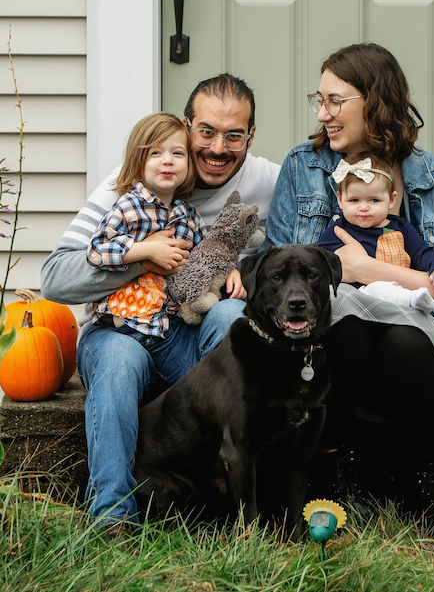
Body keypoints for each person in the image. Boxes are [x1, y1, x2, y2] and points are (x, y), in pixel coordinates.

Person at [263, 43, 434, 530]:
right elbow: (278, 278)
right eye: (319, 100)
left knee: (404, 339)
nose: (322, 113)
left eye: (335, 101)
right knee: (349, 326)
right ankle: (331, 473)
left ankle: (428, 481)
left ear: (374, 102)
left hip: (410, 364)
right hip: (330, 354)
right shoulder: (304, 167)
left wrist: (366, 269)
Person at [40, 74, 278, 526]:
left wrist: (234, 270)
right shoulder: (129, 186)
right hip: (120, 334)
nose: (218, 148)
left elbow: (319, 225)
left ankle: (230, 495)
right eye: (205, 132)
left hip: (182, 340)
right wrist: (145, 258)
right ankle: (112, 515)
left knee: (232, 314)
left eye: (233, 136)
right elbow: (54, 277)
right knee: (119, 360)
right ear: (186, 127)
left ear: (250, 136)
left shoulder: (269, 181)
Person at [317, 152, 434, 395]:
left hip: (409, 303)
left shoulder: (401, 227)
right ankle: (413, 300)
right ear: (340, 199)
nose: (364, 208)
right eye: (354, 200)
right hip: (368, 300)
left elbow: (423, 252)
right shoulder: (337, 231)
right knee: (377, 287)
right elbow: (319, 260)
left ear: (391, 199)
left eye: (374, 200)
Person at [87, 111, 246, 360]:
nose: (168, 161)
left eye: (177, 153)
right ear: (138, 161)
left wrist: (229, 270)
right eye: (156, 153)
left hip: (170, 329)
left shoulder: (189, 216)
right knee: (124, 359)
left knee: (195, 374)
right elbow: (97, 250)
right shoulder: (127, 207)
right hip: (127, 324)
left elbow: (206, 254)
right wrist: (146, 251)